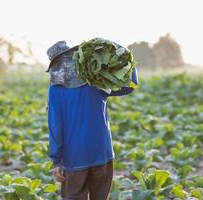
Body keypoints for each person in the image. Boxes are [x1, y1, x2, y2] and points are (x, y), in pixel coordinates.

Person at [46, 41, 138, 200]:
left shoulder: (55, 90)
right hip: (103, 152)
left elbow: (56, 127)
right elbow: (130, 86)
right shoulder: (95, 81)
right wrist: (126, 57)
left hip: (74, 158)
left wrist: (57, 161)